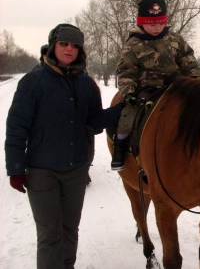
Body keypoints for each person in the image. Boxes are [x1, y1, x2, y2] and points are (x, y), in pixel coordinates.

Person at [5, 23, 122, 269]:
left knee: (70, 229)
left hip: (76, 170)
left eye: (75, 45)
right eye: (64, 43)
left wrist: (122, 109)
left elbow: (94, 122)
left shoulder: (87, 84)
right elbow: (17, 128)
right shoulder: (32, 82)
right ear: (53, 46)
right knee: (50, 235)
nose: (69, 49)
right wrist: (15, 168)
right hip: (41, 171)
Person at [111, 0, 200, 171]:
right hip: (146, 89)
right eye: (152, 24)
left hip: (177, 87)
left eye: (160, 23)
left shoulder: (175, 39)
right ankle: (120, 148)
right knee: (129, 116)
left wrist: (196, 80)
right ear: (142, 23)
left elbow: (188, 60)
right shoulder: (133, 44)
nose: (157, 27)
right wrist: (128, 93)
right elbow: (126, 72)